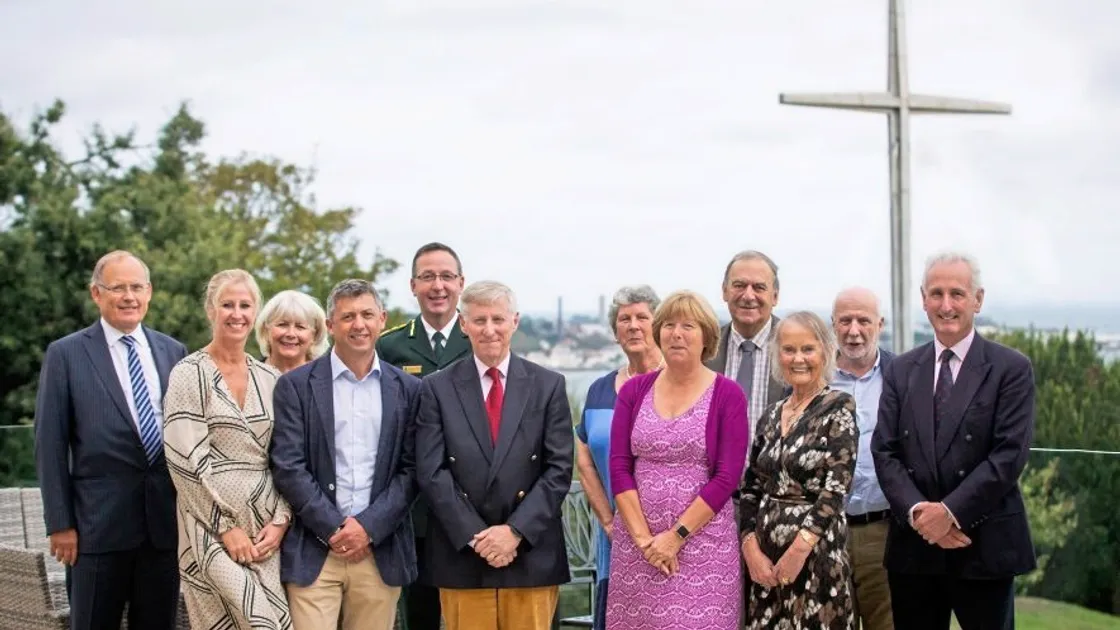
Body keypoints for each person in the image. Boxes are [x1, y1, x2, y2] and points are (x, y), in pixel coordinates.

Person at [871, 253, 1036, 630]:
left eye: (957, 294)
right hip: (915, 548)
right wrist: (919, 514)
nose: (946, 305)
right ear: (923, 298)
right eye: (937, 294)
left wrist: (947, 514)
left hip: (982, 543)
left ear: (977, 299)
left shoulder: (1010, 368)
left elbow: (1008, 455)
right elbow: (885, 450)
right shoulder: (900, 369)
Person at [34, 250, 187, 629]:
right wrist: (60, 524)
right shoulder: (66, 354)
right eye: (117, 288)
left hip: (163, 529)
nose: (129, 296)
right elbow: (49, 444)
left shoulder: (174, 352)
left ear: (149, 292)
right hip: (94, 530)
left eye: (136, 287)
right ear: (96, 294)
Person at [415, 281, 573, 630]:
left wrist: (514, 532)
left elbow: (559, 470)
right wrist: (478, 536)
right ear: (463, 324)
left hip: (530, 551)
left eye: (498, 319)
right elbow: (431, 471)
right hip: (463, 552)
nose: (490, 330)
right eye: (480, 320)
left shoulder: (548, 385)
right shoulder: (436, 388)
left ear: (514, 322)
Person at [271, 279, 422, 630]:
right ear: (329, 325)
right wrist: (336, 528)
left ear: (382, 319)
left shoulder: (410, 390)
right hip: (315, 549)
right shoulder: (295, 386)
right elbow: (288, 465)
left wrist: (367, 528)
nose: (359, 325)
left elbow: (413, 469)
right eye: (348, 316)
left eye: (367, 314)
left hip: (379, 550)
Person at [606, 290, 748, 630]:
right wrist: (644, 541)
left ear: (707, 338)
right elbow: (619, 467)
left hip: (703, 550)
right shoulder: (634, 391)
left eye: (688, 325)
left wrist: (675, 536)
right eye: (668, 324)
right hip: (637, 549)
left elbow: (727, 477)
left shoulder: (727, 394)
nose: (676, 333)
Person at [163, 269, 292, 629]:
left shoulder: (270, 378)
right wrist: (225, 527)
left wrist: (281, 520)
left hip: (266, 528)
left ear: (256, 313)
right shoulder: (189, 373)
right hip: (207, 525)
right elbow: (182, 460)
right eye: (227, 305)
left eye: (245, 305)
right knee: (252, 622)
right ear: (211, 310)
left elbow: (287, 458)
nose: (237, 314)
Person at [740, 311, 858, 629]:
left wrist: (798, 550)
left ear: (825, 351)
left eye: (808, 349)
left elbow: (836, 489)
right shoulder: (769, 415)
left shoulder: (839, 407)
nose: (798, 359)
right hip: (765, 563)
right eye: (789, 350)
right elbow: (750, 488)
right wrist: (750, 549)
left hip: (817, 557)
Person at [376, 242, 471, 630]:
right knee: (420, 615)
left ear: (461, 283)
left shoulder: (480, 338)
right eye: (428, 277)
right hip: (412, 506)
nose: (438, 286)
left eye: (447, 276)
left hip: (472, 502)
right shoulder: (390, 345)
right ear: (413, 285)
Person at [575, 285, 662, 630]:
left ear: (660, 325)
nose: (633, 325)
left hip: (668, 535)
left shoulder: (680, 383)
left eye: (643, 317)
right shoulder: (598, 389)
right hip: (615, 538)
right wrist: (610, 523)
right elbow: (583, 457)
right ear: (615, 333)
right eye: (624, 319)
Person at [830, 287, 895, 630]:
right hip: (825, 531)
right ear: (833, 325)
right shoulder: (815, 379)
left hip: (882, 532)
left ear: (879, 324)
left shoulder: (902, 376)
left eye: (863, 321)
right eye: (845, 321)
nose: (854, 330)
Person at [706, 250, 785, 459]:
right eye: (739, 286)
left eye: (759, 287)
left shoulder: (796, 350)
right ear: (724, 291)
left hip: (775, 486)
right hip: (713, 486)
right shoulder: (704, 351)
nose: (748, 296)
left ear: (775, 296)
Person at [256, 289, 330, 373]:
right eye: (282, 325)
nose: (291, 334)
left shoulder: (329, 380)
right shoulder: (248, 377)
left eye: (300, 327)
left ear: (315, 335)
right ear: (266, 330)